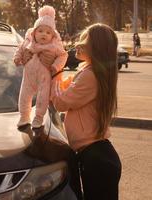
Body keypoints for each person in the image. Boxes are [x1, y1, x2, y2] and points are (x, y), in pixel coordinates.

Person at [50, 23, 122, 200]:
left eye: (84, 40)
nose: (79, 44)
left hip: (97, 158)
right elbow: (67, 89)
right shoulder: (88, 71)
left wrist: (53, 75)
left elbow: (61, 102)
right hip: (97, 156)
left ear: (96, 47)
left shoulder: (91, 75)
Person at [13, 5, 68, 128]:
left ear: (53, 36)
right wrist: (17, 58)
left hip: (44, 79)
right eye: (40, 31)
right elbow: (20, 49)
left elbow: (63, 56)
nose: (44, 34)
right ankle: (24, 117)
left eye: (48, 32)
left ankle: (38, 118)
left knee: (42, 99)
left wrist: (55, 66)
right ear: (34, 32)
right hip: (28, 78)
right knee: (24, 97)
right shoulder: (28, 43)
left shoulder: (54, 46)